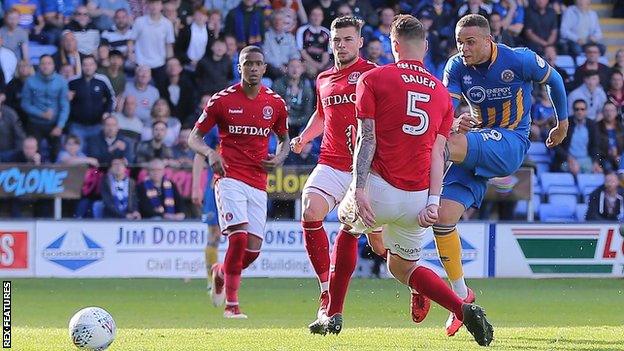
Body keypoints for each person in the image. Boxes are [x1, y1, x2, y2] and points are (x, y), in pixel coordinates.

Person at [335, 15, 494, 346]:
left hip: (379, 186)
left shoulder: (373, 78)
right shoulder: (439, 91)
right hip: (418, 197)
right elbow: (440, 153)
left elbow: (367, 139)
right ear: (424, 47)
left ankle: (331, 312)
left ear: (394, 45)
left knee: (346, 226)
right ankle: (463, 309)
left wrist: (359, 188)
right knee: (402, 268)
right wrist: (434, 202)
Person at [437, 14, 568, 336]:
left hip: (510, 143)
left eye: (470, 42)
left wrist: (562, 123)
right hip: (477, 145)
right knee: (442, 218)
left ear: (488, 40)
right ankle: (460, 296)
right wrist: (455, 122)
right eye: (459, 43)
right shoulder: (456, 67)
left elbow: (556, 81)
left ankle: (397, 187)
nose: (463, 49)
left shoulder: (519, 59)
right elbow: (446, 113)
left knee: (440, 146)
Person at [288, 16, 382, 334]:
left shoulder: (373, 74)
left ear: (359, 41)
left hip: (366, 169)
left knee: (382, 248)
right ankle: (326, 289)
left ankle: (416, 287)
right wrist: (303, 137)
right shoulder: (324, 77)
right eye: (336, 39)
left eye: (347, 39)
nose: (341, 45)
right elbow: (321, 114)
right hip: (330, 162)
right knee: (310, 209)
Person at [188, 45, 290, 318]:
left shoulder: (275, 103)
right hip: (229, 177)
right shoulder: (222, 100)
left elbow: (284, 140)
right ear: (239, 67)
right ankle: (232, 306)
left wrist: (279, 157)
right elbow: (193, 138)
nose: (253, 68)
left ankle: (221, 272)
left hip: (258, 181)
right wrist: (210, 153)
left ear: (265, 68)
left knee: (253, 251)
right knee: (238, 238)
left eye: (258, 64)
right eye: (248, 64)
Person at [191, 126, 221, 291]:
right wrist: (196, 187)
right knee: (214, 232)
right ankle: (212, 280)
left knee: (240, 234)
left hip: (241, 183)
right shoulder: (214, 126)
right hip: (215, 186)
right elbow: (199, 154)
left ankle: (230, 278)